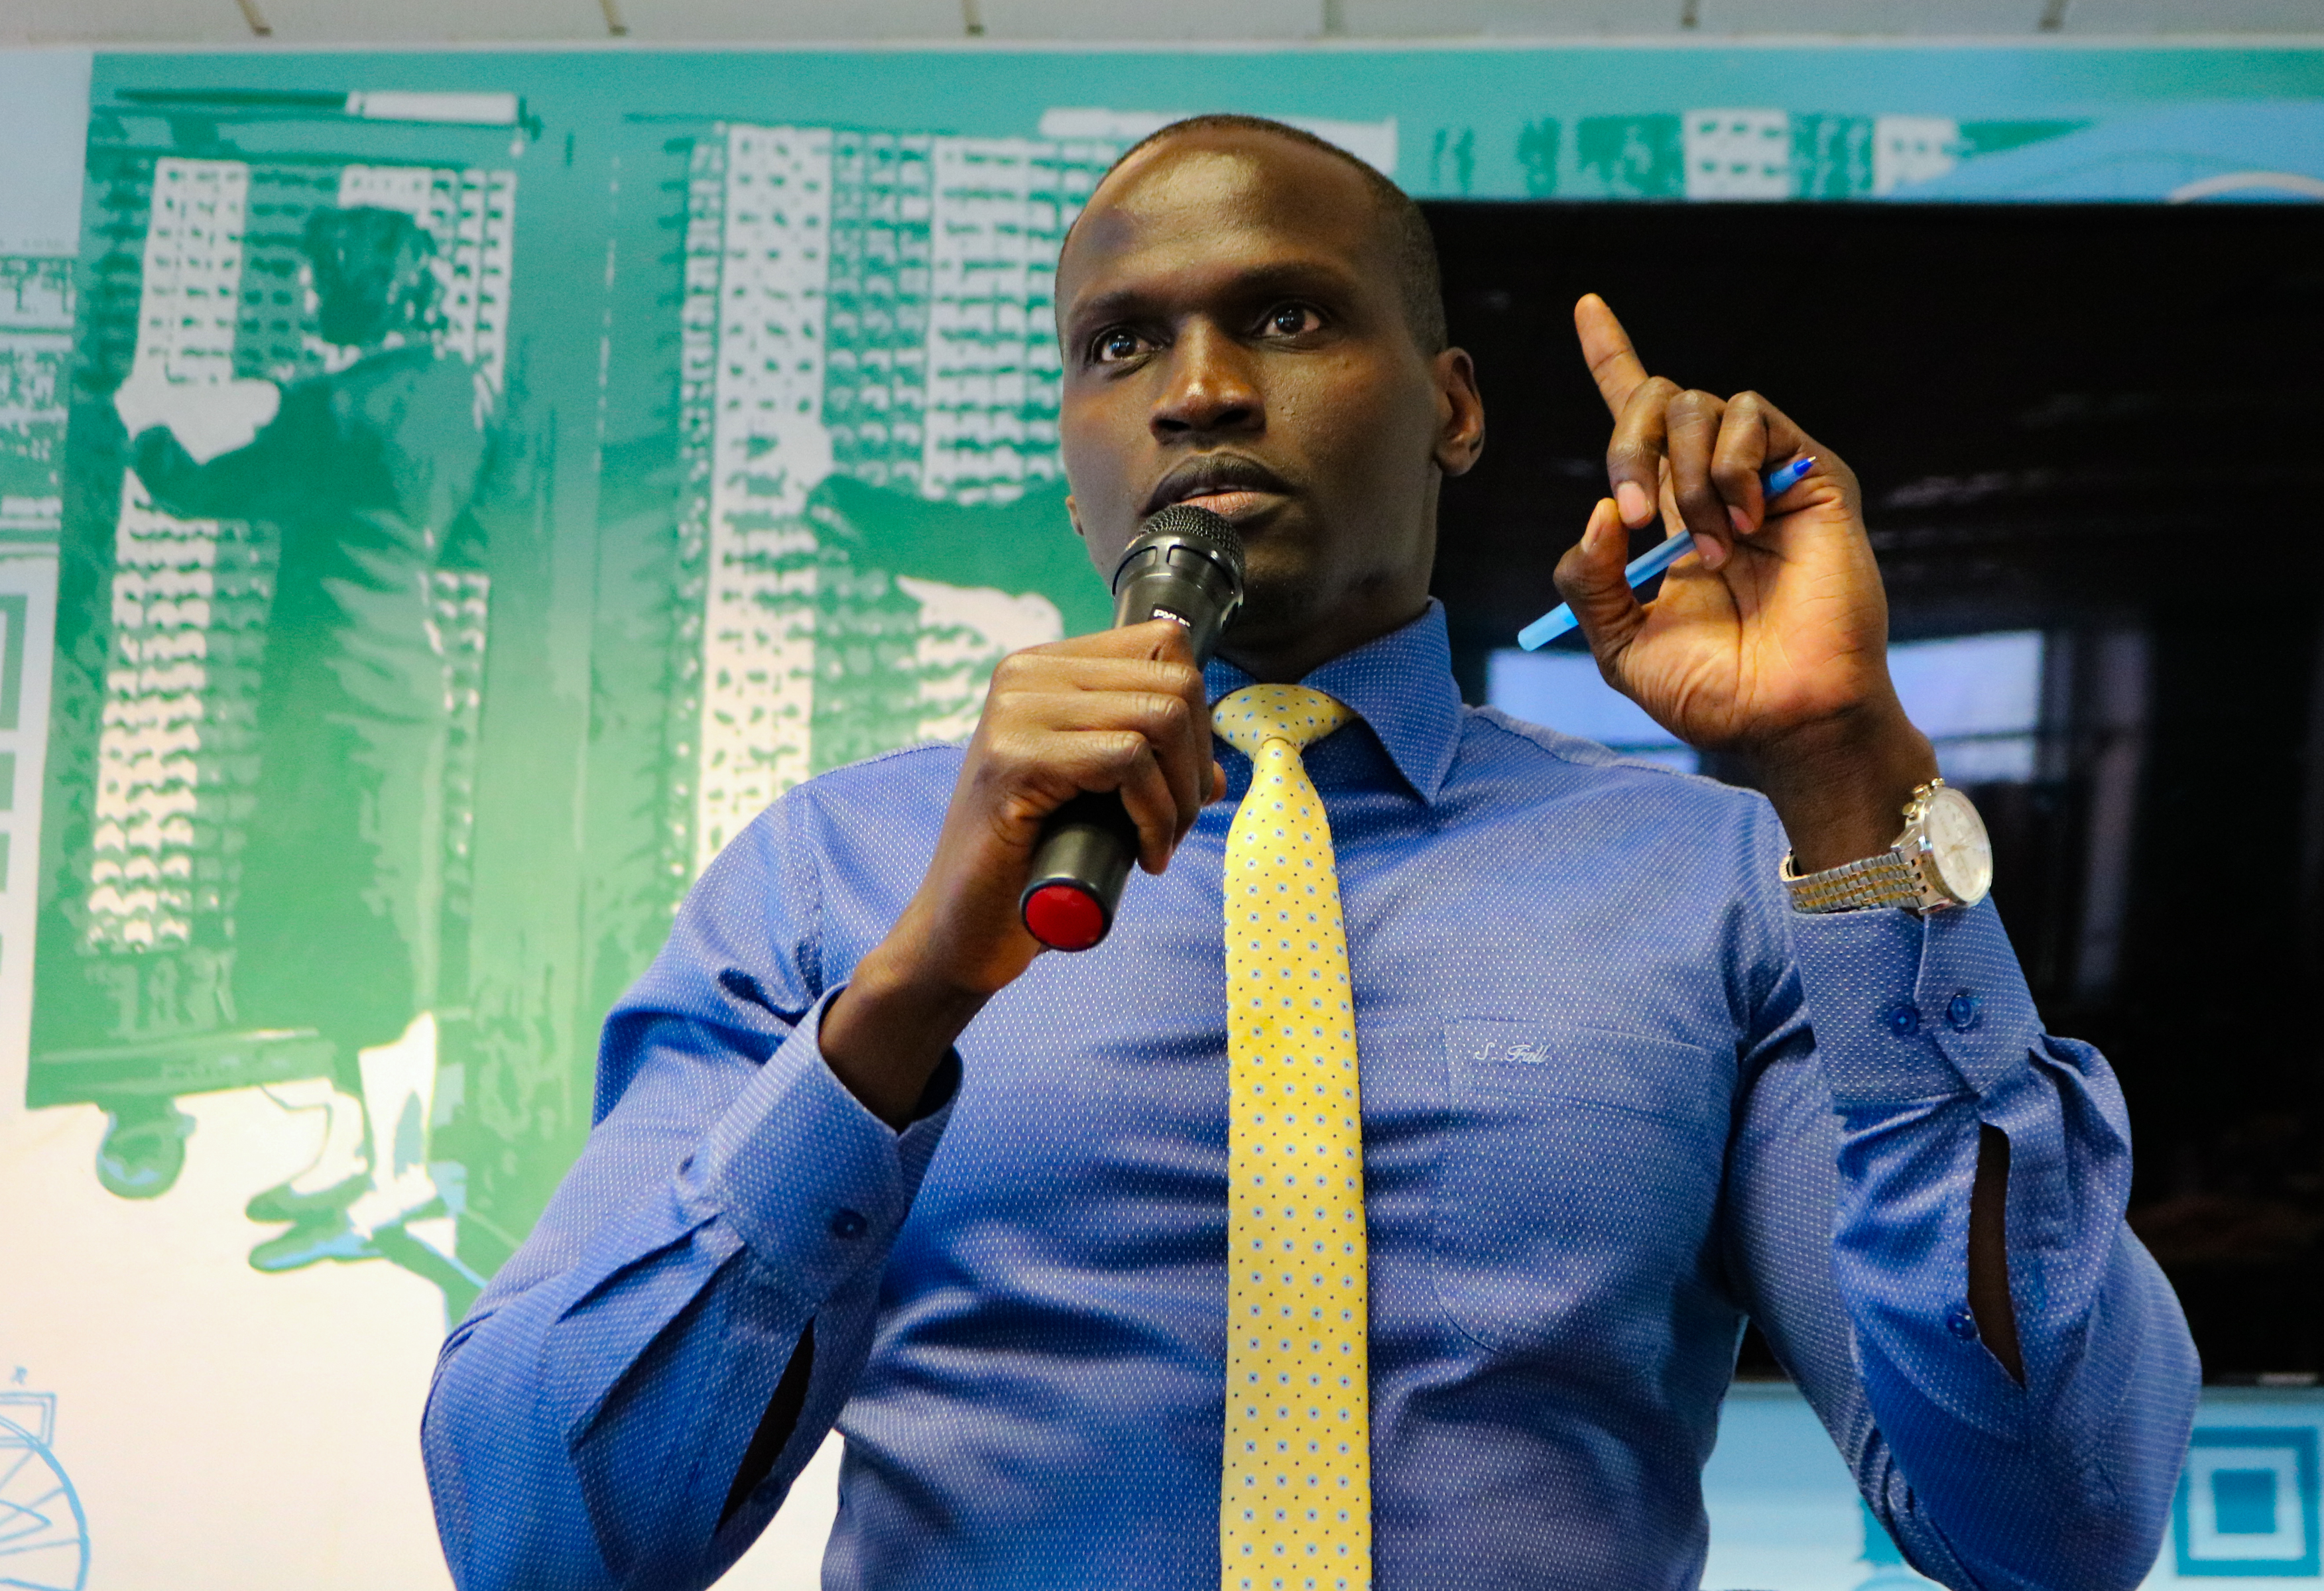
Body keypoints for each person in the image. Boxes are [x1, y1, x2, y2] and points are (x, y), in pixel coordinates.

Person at [422, 117, 2196, 1591]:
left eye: (1283, 318)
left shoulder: (1721, 881)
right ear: (1071, 452)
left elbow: (2056, 1524)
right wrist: (898, 1010)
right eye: (1121, 345)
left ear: (1454, 408)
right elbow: (537, 1535)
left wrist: (1847, 773)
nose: (1196, 391)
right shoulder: (833, 878)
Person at [115, 204, 485, 1294]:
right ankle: (351, 1157)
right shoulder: (452, 392)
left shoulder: (331, 408)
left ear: (355, 287)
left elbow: (199, 486)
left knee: (372, 940)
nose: (306, 296)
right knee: (367, 924)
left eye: (318, 279)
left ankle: (397, 1178)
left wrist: (145, 421)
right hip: (394, 683)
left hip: (338, 695)